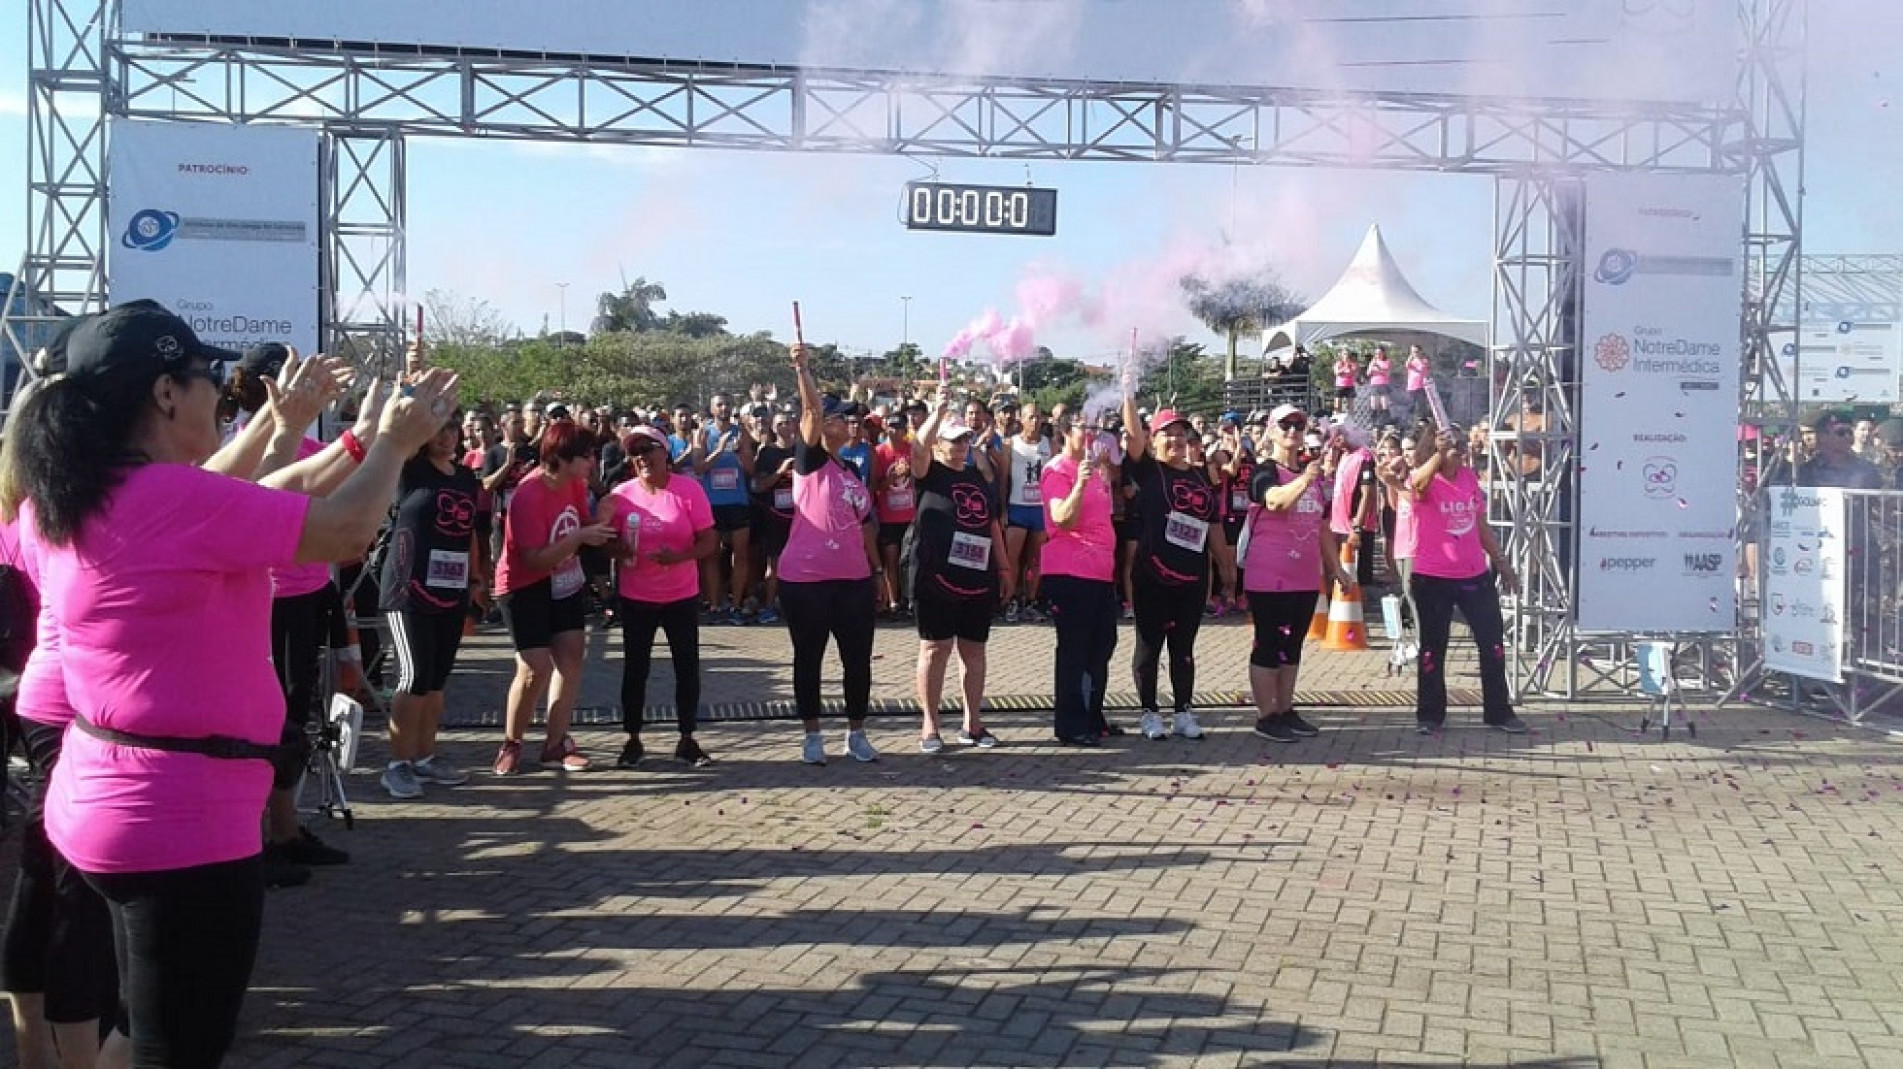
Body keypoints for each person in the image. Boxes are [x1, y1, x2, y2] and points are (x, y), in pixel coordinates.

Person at [10, 301, 455, 1066]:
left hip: (110, 798)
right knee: (175, 1044)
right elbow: (347, 529)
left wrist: (332, 436)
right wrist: (392, 444)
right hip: (178, 815)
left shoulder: (85, 496)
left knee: (146, 1028)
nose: (218, 390)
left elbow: (231, 486)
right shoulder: (165, 501)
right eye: (205, 375)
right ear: (163, 394)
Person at [491, 419, 617, 775]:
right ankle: (512, 742)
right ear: (562, 457)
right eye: (585, 455)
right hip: (523, 585)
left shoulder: (574, 483)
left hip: (564, 580)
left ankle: (556, 743)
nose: (592, 461)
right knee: (534, 668)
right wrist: (579, 538)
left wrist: (603, 516)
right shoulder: (527, 495)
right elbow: (533, 559)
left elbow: (582, 522)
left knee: (571, 658)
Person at [595, 424, 718, 769]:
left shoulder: (688, 490)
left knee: (686, 668)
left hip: (680, 595)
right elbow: (602, 546)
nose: (643, 458)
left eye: (649, 450)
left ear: (666, 453)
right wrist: (616, 547)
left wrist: (678, 557)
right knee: (636, 669)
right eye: (635, 453)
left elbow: (710, 542)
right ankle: (632, 739)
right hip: (637, 596)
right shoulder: (620, 495)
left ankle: (687, 738)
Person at [782, 345, 883, 764]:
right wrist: (804, 371)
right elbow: (809, 411)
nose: (848, 422)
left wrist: (878, 573)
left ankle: (856, 733)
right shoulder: (810, 460)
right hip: (805, 580)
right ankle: (811, 735)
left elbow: (863, 526)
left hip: (854, 579)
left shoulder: (853, 470)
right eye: (840, 417)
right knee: (810, 658)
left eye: (848, 417)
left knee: (857, 660)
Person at [377, 407, 484, 799]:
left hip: (452, 590)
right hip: (409, 590)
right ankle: (397, 764)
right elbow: (399, 419)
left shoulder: (466, 477)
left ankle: (424, 756)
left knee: (437, 679)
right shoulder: (409, 468)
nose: (446, 437)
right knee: (413, 677)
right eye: (438, 430)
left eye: (452, 429)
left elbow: (469, 531)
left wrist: (475, 579)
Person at [1239, 403, 1353, 742]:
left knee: (1293, 646)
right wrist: (1304, 479)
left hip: (1304, 576)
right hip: (1269, 575)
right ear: (1271, 431)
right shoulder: (1265, 470)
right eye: (1285, 425)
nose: (1292, 432)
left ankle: (1286, 709)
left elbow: (1321, 528)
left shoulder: (1312, 478)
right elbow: (1274, 502)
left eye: (1298, 426)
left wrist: (1337, 569)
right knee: (1268, 644)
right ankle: (1266, 715)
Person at [908, 393, 1015, 752]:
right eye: (952, 441)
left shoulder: (978, 476)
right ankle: (930, 725)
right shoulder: (928, 473)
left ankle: (973, 723)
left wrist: (1003, 566)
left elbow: (992, 525)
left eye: (964, 440)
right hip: (935, 576)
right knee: (935, 649)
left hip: (976, 577)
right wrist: (936, 413)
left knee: (974, 651)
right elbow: (918, 449)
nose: (959, 447)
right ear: (939, 443)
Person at [1407, 425, 1526, 734]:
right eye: (1452, 444)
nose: (1459, 448)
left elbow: (1480, 524)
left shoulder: (1470, 478)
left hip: (1474, 574)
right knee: (1434, 646)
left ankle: (1499, 711)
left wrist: (1502, 564)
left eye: (1461, 443)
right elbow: (1416, 484)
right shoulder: (1427, 478)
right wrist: (1437, 453)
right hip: (1433, 577)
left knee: (1492, 641)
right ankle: (1430, 714)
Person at [1121, 399, 1225, 741]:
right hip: (1152, 575)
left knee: (1184, 648)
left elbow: (1212, 526)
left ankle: (1183, 711)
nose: (1176, 441)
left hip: (1192, 578)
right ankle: (1150, 712)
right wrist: (1128, 396)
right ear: (1155, 440)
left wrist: (1227, 572)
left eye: (1181, 435)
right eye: (1168, 435)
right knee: (1149, 646)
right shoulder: (1149, 470)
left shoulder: (1200, 475)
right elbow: (1134, 438)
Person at [1042, 409, 1122, 745]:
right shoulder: (1056, 470)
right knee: (1075, 650)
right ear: (1064, 432)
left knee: (1101, 646)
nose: (1090, 434)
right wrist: (1080, 484)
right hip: (1070, 572)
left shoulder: (1094, 469)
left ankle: (1093, 716)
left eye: (1094, 428)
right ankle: (1072, 724)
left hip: (1100, 573)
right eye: (1083, 428)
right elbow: (1062, 518)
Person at [692, 395, 756, 625]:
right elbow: (698, 468)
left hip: (737, 502)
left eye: (727, 404)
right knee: (711, 555)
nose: (724, 408)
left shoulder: (741, 433)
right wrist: (719, 450)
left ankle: (736, 605)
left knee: (740, 555)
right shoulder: (703, 433)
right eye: (719, 404)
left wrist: (741, 454)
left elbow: (750, 470)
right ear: (712, 408)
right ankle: (716, 604)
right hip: (711, 503)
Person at [1003, 401, 1050, 623]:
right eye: (1030, 417)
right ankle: (1011, 599)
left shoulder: (1050, 444)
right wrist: (1002, 510)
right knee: (1012, 559)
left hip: (1040, 508)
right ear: (1021, 419)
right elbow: (1003, 480)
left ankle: (1031, 600)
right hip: (1017, 506)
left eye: (1038, 417)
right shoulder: (1011, 444)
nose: (1035, 421)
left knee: (1036, 560)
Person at [1366, 346, 1393, 417]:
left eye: (1380, 353)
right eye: (1376, 353)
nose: (1378, 355)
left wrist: (1378, 368)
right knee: (1374, 404)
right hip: (1374, 384)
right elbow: (1368, 373)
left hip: (1383, 384)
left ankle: (1385, 420)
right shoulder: (1373, 362)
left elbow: (1388, 374)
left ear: (1383, 353)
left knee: (1384, 404)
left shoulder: (1387, 362)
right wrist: (1372, 366)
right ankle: (1374, 422)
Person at [1332, 350, 1358, 414]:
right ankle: (1337, 418)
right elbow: (1337, 373)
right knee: (1337, 405)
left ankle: (1350, 420)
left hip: (1350, 386)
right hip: (1340, 385)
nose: (1346, 355)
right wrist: (1344, 369)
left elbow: (1352, 373)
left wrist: (1343, 372)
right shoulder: (1338, 363)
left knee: (1350, 406)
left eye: (1347, 354)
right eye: (1344, 354)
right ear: (1342, 355)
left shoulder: (1353, 364)